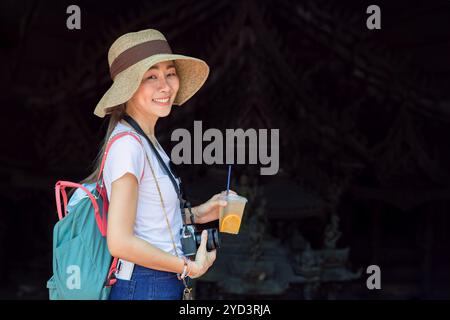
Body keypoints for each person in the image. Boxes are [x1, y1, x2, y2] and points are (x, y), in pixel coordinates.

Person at [79, 29, 234, 300]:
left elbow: (149, 219)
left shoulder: (146, 141)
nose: (165, 86)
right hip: (146, 284)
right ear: (129, 88)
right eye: (151, 76)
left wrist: (198, 213)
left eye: (170, 73)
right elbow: (120, 242)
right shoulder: (129, 146)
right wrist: (188, 266)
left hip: (155, 282)